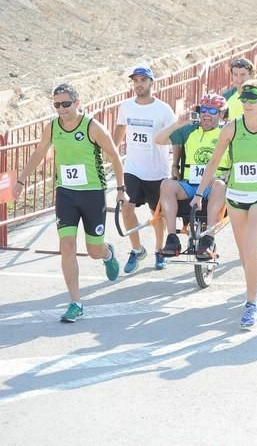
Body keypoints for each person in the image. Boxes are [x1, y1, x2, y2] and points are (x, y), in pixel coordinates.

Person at [191, 80, 257, 329]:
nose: (249, 104)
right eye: (245, 100)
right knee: (245, 255)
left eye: (254, 100)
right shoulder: (232, 128)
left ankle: (251, 303)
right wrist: (199, 193)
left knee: (251, 249)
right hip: (237, 196)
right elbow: (214, 161)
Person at [12, 84, 125, 322]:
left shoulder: (92, 127)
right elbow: (39, 153)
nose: (61, 109)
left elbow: (114, 155)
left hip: (93, 193)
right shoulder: (52, 127)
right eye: (56, 105)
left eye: (65, 104)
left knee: (93, 250)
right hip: (66, 194)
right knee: (67, 246)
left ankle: (107, 254)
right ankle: (75, 302)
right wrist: (21, 181)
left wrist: (121, 190)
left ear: (77, 103)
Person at [114, 66, 176, 273]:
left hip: (157, 171)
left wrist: (175, 164)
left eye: (143, 80)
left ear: (151, 83)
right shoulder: (126, 106)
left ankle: (159, 250)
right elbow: (121, 127)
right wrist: (113, 151)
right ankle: (137, 249)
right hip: (133, 168)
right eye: (135, 80)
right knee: (127, 208)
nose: (138, 84)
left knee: (156, 214)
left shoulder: (163, 109)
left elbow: (176, 135)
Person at [154, 94, 229, 260]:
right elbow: (158, 139)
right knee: (166, 185)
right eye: (203, 109)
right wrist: (178, 124)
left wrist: (226, 175)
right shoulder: (190, 131)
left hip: (213, 185)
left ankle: (208, 238)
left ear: (221, 114)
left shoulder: (227, 132)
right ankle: (172, 239)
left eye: (212, 110)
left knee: (219, 185)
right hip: (189, 184)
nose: (206, 114)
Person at [222, 57, 257, 249]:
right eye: (235, 75)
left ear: (251, 75)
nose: (239, 79)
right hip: (236, 153)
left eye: (243, 75)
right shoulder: (227, 98)